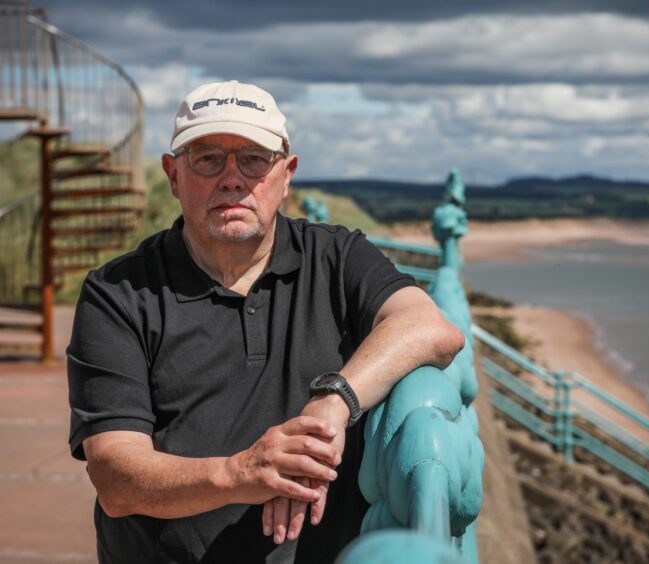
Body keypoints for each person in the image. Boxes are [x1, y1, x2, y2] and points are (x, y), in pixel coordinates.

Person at [66, 80, 465, 563]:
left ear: (286, 173)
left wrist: (334, 400)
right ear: (173, 176)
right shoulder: (119, 293)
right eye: (207, 158)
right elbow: (115, 477)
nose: (232, 178)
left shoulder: (335, 256)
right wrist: (241, 474)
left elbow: (432, 328)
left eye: (254, 158)